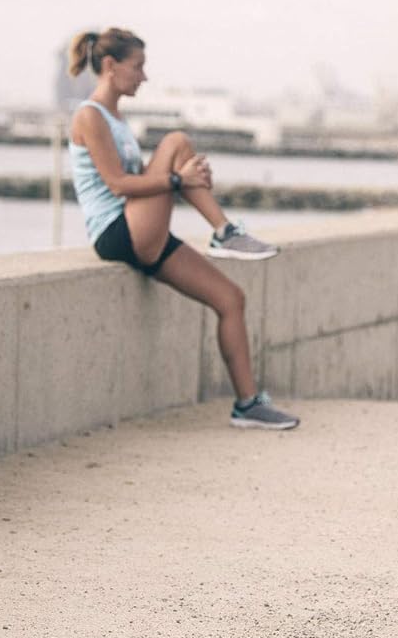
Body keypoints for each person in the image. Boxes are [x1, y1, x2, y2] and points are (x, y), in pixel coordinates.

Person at [67, 27, 299, 430]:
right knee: (175, 142)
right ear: (110, 65)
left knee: (231, 299)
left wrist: (183, 178)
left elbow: (140, 178)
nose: (144, 76)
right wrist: (178, 179)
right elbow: (118, 185)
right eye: (138, 66)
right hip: (116, 232)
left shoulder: (116, 118)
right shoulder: (90, 116)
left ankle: (248, 405)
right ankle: (224, 231)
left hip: (139, 227)